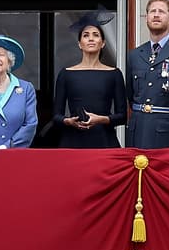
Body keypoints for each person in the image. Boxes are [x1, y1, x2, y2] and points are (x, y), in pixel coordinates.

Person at [53, 11, 127, 148]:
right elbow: (56, 116)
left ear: (103, 43)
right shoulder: (66, 74)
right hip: (73, 142)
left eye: (96, 35)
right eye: (86, 36)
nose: (91, 39)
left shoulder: (114, 74)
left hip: (104, 140)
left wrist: (101, 119)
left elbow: (122, 116)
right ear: (79, 44)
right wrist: (69, 121)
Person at [125, 0, 169, 148]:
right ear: (146, 18)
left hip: (168, 130)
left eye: (161, 12)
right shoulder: (135, 55)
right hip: (138, 129)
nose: (156, 15)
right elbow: (130, 94)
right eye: (152, 11)